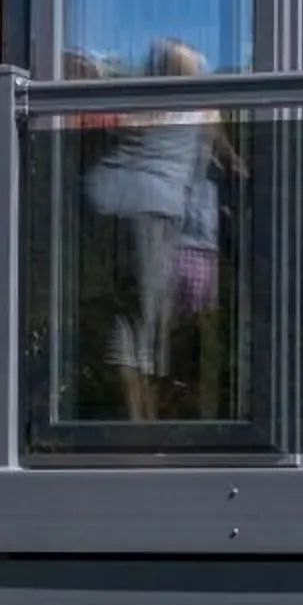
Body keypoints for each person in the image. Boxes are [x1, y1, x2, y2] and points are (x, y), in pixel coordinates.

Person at [81, 38, 212, 421]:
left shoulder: (140, 102)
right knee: (149, 320)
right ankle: (145, 427)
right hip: (152, 209)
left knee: (123, 317)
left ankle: (138, 422)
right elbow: (209, 159)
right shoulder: (200, 107)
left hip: (104, 200)